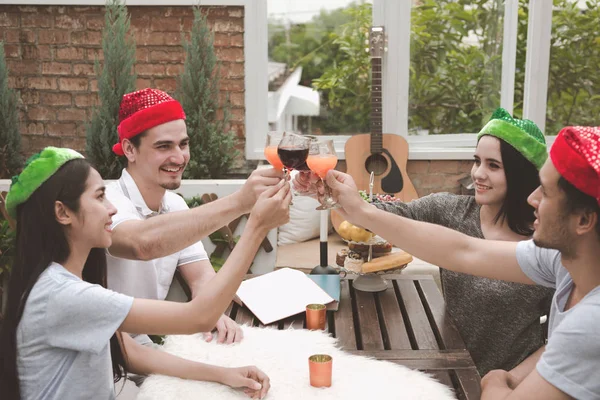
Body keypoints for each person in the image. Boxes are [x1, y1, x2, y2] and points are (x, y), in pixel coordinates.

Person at [324, 126, 600, 399]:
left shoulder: (590, 323)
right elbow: (464, 250)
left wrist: (495, 381)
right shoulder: (558, 259)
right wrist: (358, 208)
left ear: (584, 220)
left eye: (547, 193)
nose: (532, 198)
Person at [0, 147, 290, 399]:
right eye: (100, 197)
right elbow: (198, 316)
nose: (112, 208)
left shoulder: (60, 282)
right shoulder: (62, 295)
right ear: (63, 213)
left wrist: (222, 374)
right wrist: (257, 227)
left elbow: (131, 352)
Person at [105, 88, 284, 346]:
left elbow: (201, 277)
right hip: (107, 353)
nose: (179, 158)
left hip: (145, 345)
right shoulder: (108, 203)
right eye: (163, 146)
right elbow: (140, 243)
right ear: (129, 150)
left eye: (183, 144)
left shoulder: (175, 205)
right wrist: (241, 202)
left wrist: (214, 311)